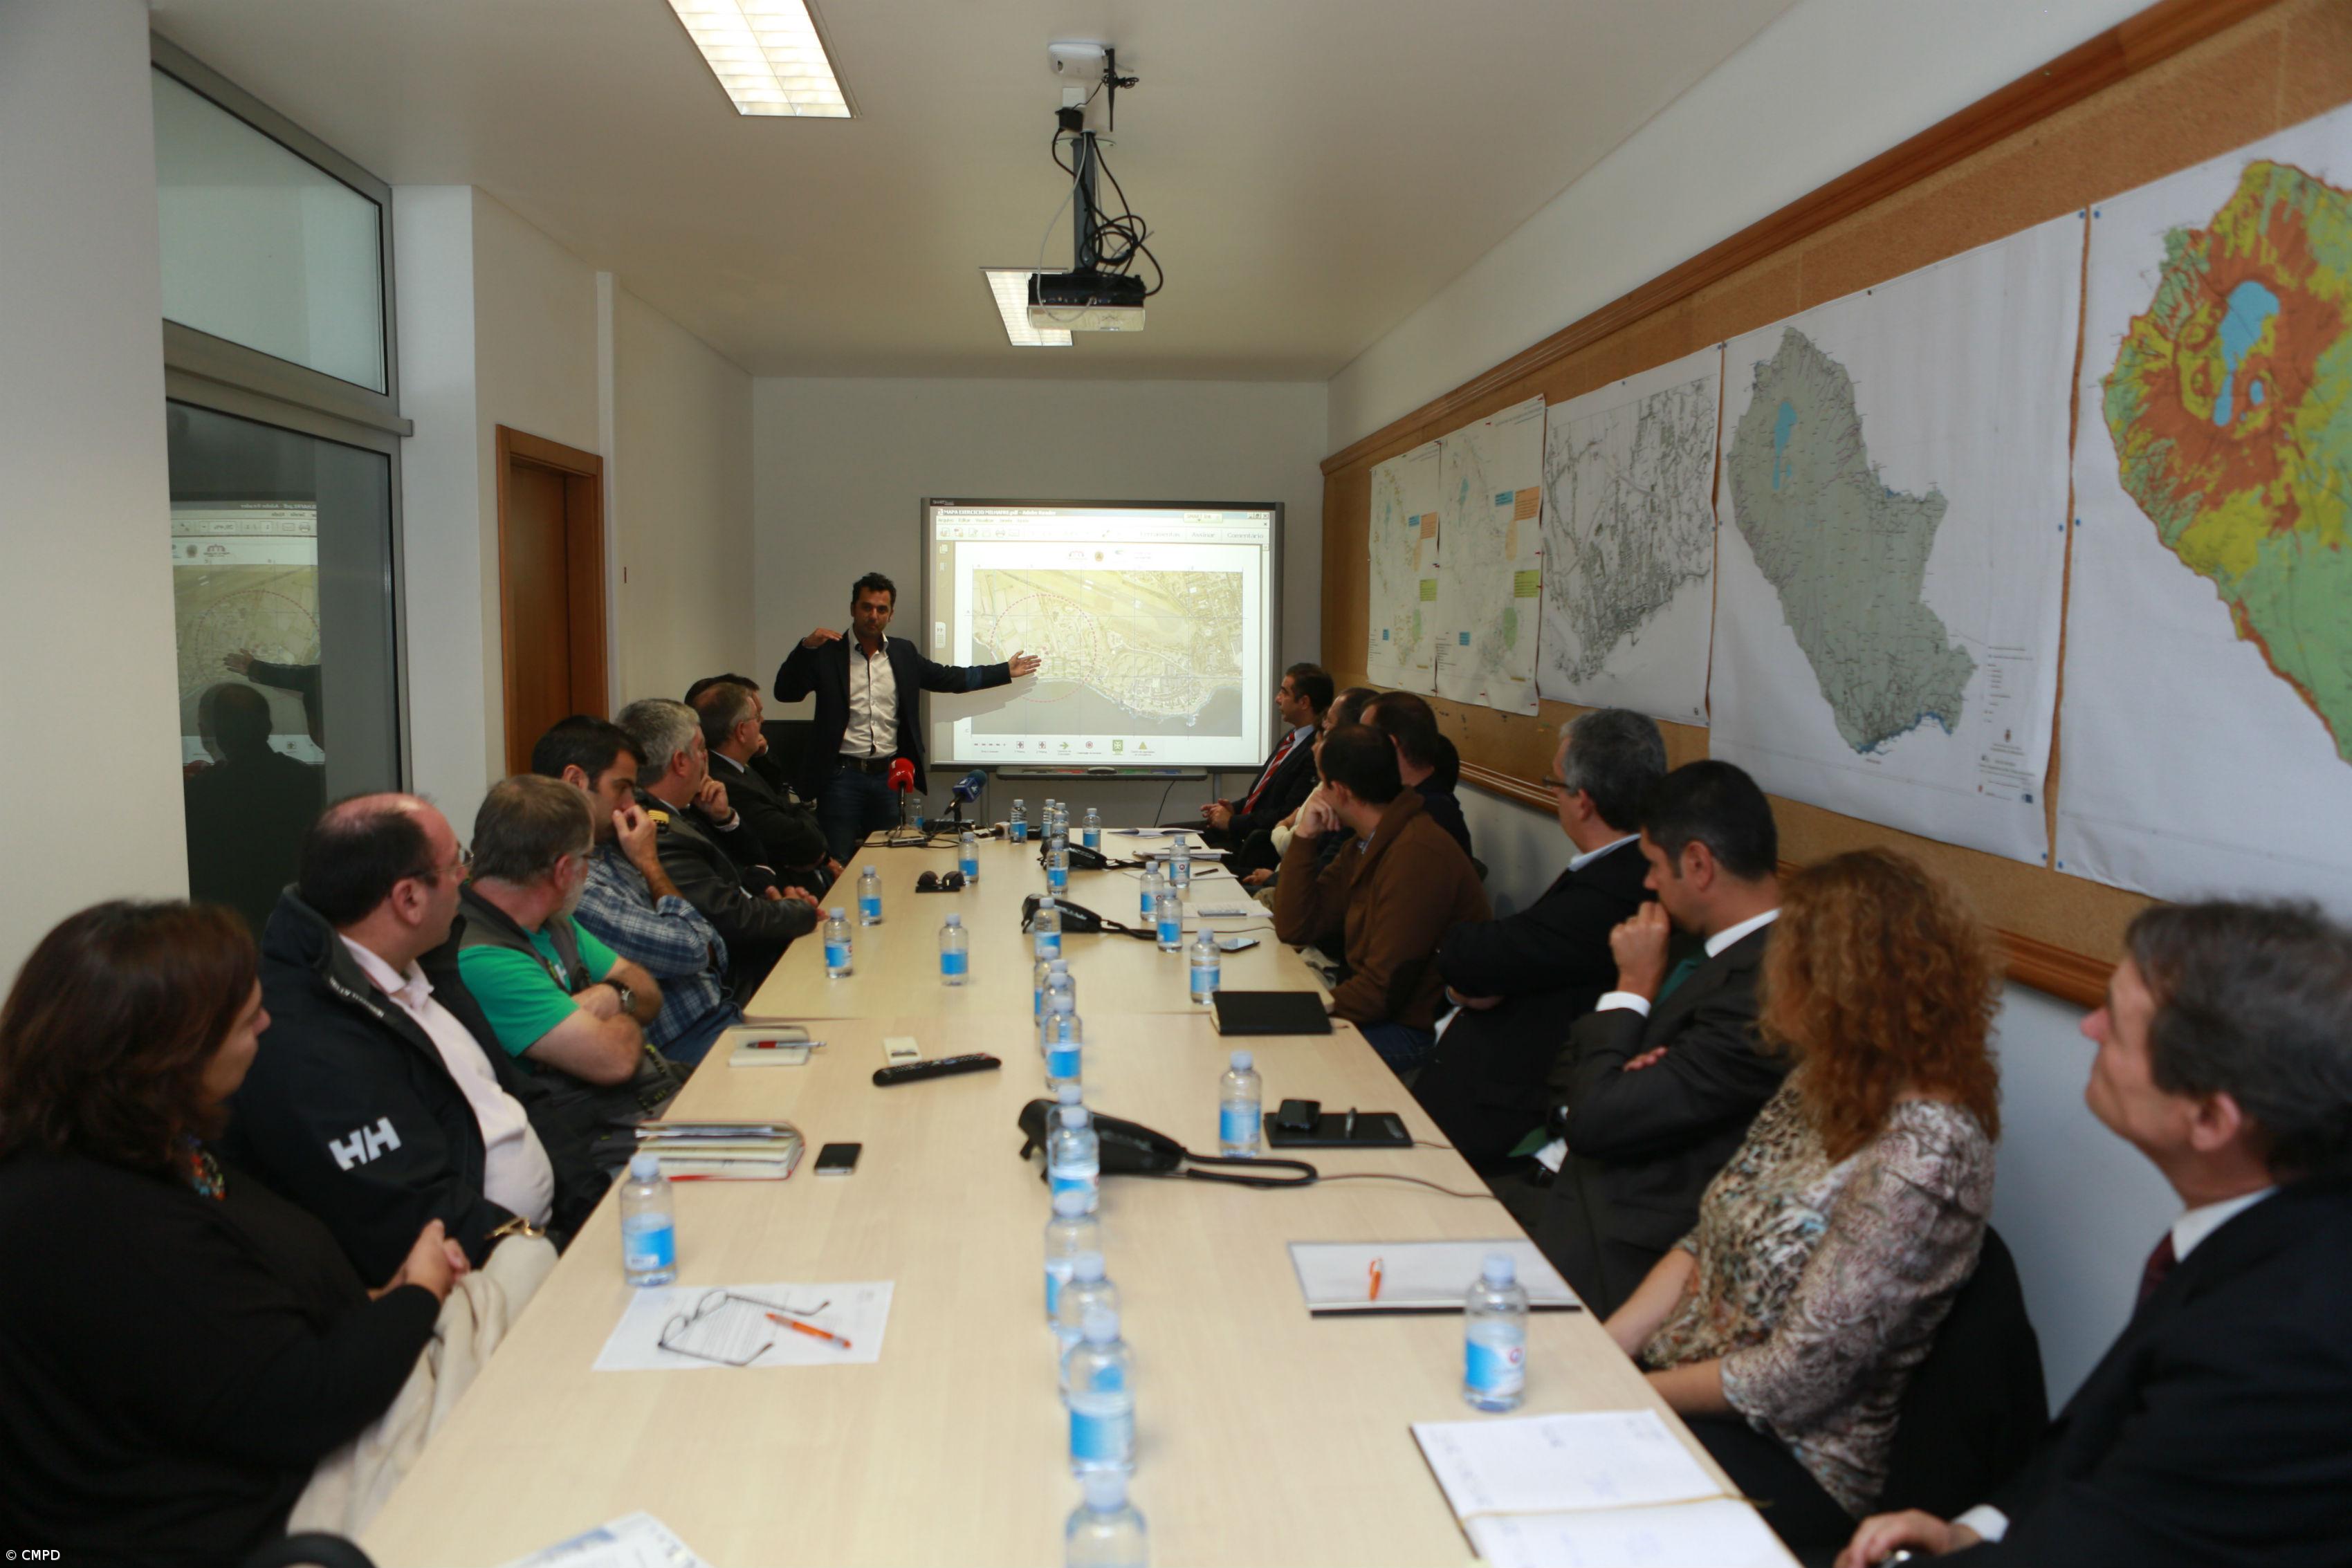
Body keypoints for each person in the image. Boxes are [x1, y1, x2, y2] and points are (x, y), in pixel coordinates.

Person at [1839, 900, 2352, 1567]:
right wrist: (1973, 1530)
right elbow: (2104, 1441)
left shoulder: (2279, 1347)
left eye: (2116, 1020)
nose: (2088, 1025)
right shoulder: (2274, 1224)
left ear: (2210, 1119)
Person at [0, 901, 462, 1565]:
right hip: (230, 1530)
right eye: (248, 1020)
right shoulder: (97, 1219)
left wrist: (376, 1302)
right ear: (171, 1057)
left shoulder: (149, 1145)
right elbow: (303, 1404)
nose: (267, 1025)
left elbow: (233, 1334)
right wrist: (418, 1292)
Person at [1606, 849, 2001, 1553]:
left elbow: (1792, 1378)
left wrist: (1625, 1394)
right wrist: (1608, 1347)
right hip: (1684, 1388)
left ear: (1840, 981)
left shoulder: (1927, 1150)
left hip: (1792, 1457)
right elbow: (1706, 1234)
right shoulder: (1824, 1078)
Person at [222, 795, 599, 1280]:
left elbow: (525, 1101)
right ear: (409, 899)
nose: (467, 877)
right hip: (485, 1278)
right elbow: (412, 1211)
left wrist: (599, 1212)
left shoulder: (425, 964)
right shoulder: (305, 1037)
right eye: (457, 864)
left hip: (548, 1241)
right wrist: (564, 1256)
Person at [1529, 759, 1788, 1316]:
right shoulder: (1691, 941)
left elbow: (1598, 1115)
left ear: (1697, 863)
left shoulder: (1766, 990)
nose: (1647, 883)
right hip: (1581, 1185)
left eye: (1652, 864)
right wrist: (1614, 1073)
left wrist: (1631, 990)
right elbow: (1571, 1065)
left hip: (1625, 1245)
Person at [1412, 708, 1665, 1167]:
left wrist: (1466, 970)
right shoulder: (1617, 870)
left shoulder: (1616, 888)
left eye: (1554, 783)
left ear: (1583, 801)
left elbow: (1474, 956)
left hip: (1508, 1113)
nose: (1553, 794)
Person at [456, 776, 681, 1141]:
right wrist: (626, 1010)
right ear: (563, 871)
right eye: (587, 857)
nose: (588, 869)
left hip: (633, 1108)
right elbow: (615, 1059)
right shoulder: (482, 958)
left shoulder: (552, 919)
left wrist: (609, 996)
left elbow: (647, 990)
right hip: (587, 1141)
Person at [774, 571, 1041, 860]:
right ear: (853, 609)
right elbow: (786, 692)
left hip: (888, 778)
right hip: (841, 777)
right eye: (866, 607)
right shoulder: (827, 653)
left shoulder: (902, 653)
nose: (873, 616)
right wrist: (806, 648)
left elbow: (949, 678)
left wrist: (1003, 671)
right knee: (837, 859)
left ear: (891, 614)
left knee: (890, 860)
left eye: (882, 609)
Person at [1271, 723, 1490, 1072]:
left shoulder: (1416, 853)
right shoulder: (1366, 842)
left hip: (1415, 1030)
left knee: (1278, 1055)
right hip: (1379, 1011)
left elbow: (1380, 991)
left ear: (1341, 791)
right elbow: (1295, 927)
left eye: (1321, 784)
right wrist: (1305, 837)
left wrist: (1293, 1012)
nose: (1318, 794)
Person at [533, 716, 742, 1068]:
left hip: (716, 1013)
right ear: (575, 782)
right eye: (621, 788)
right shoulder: (574, 884)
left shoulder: (611, 847)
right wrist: (650, 864)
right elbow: (694, 949)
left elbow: (714, 948)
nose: (632, 805)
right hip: (682, 1044)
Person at [619, 697, 821, 996]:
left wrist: (724, 819)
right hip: (735, 982)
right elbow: (731, 919)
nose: (707, 758)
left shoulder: (685, 809)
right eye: (701, 748)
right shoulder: (657, 832)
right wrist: (797, 911)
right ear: (680, 762)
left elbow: (751, 868)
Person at [183, 681, 326, 935]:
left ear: (214, 733)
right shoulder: (310, 783)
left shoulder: (202, 792)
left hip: (225, 929)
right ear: (268, 727)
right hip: (297, 922)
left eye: (203, 727)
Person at [692, 675, 836, 892]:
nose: (762, 722)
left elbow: (790, 809)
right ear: (741, 731)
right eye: (756, 716)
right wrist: (802, 820)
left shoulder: (740, 768)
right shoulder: (726, 784)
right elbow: (807, 844)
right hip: (783, 891)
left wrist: (799, 816)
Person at [1238, 683, 1376, 882]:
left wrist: (1272, 879)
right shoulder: (1292, 742)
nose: (1324, 728)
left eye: (1329, 723)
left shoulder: (1343, 799)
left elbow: (1318, 880)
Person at [1196, 663, 1331, 851]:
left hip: (1259, 846)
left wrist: (1233, 822)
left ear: (1304, 703)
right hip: (1244, 831)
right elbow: (1265, 797)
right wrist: (1235, 809)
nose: (1277, 699)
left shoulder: (1314, 753)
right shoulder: (1291, 738)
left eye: (1284, 693)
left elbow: (1287, 814)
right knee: (1167, 834)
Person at [1360, 688, 1473, 858]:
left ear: (1389, 744)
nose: (1357, 749)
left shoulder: (1430, 820)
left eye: (1363, 739)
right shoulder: (1400, 798)